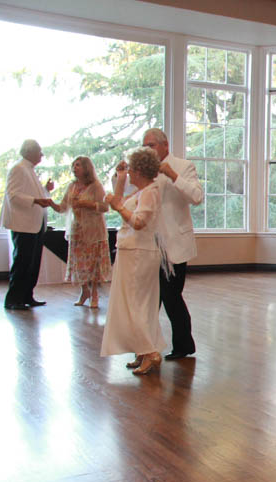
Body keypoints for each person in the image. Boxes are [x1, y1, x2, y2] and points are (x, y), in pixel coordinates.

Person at [128, 128, 204, 360]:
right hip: (148, 245)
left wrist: (172, 175)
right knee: (148, 301)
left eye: (150, 145)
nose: (146, 149)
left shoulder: (183, 166)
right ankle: (146, 350)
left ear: (165, 145)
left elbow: (196, 197)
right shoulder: (144, 172)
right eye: (144, 145)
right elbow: (132, 200)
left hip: (174, 245)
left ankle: (183, 346)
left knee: (171, 297)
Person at [101, 148, 167, 375]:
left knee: (137, 304)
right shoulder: (141, 192)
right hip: (131, 250)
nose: (128, 173)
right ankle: (142, 350)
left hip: (140, 252)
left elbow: (138, 222)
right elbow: (118, 203)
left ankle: (150, 351)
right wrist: (119, 180)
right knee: (134, 303)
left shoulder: (151, 191)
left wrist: (119, 206)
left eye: (130, 170)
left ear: (138, 170)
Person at [47, 156, 112, 309]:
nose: (75, 168)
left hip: (94, 231)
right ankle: (84, 292)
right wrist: (49, 201)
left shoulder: (95, 186)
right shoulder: (72, 186)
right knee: (80, 264)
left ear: (86, 168)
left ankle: (95, 293)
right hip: (78, 231)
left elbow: (105, 207)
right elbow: (63, 207)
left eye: (78, 165)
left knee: (93, 264)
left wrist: (87, 204)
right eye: (74, 165)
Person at [1, 140, 54, 310]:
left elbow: (33, 195)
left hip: (34, 224)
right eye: (39, 151)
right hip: (23, 225)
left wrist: (45, 190)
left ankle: (26, 296)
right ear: (29, 152)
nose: (42, 155)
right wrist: (36, 200)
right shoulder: (18, 169)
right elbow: (13, 196)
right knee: (22, 262)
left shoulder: (29, 170)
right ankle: (13, 300)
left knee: (32, 263)